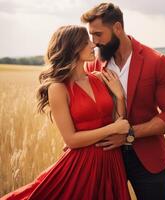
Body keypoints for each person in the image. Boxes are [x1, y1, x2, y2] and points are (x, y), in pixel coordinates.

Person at [1, 25, 132, 200]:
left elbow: (119, 123)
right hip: (82, 167)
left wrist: (120, 97)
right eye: (86, 42)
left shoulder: (99, 78)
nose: (93, 46)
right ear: (72, 47)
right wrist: (112, 129)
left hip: (112, 162)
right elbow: (71, 140)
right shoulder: (58, 88)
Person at [81, 3, 165, 200]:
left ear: (117, 28)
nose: (93, 42)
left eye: (98, 34)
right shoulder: (92, 63)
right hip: (104, 158)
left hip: (148, 160)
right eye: (91, 35)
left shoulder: (156, 61)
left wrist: (128, 134)